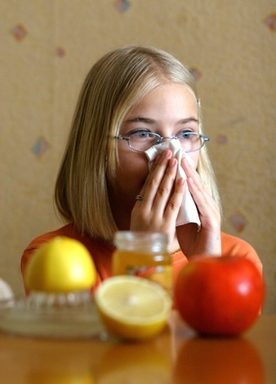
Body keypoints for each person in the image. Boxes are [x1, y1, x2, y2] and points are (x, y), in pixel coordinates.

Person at [21, 45, 262, 295]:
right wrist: (145, 256)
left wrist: (209, 269)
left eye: (186, 134)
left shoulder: (238, 259)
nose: (171, 155)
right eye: (143, 133)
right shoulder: (51, 260)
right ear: (96, 147)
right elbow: (130, 326)